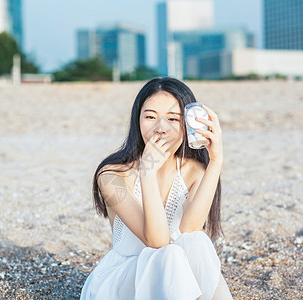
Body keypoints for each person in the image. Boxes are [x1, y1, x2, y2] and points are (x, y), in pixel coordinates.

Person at [80, 77, 233, 300]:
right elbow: (157, 241)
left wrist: (216, 161)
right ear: (137, 120)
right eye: (150, 117)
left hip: (174, 282)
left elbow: (190, 228)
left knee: (197, 241)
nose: (161, 128)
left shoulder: (194, 171)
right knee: (169, 254)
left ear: (189, 124)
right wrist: (147, 172)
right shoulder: (112, 176)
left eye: (173, 118)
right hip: (123, 279)